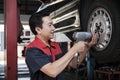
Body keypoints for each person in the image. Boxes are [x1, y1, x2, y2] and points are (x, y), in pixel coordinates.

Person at [25, 11, 98, 80]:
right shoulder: (32, 50)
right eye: (50, 25)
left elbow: (74, 64)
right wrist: (74, 49)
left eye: (52, 25)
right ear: (38, 30)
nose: (53, 28)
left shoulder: (56, 45)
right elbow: (52, 71)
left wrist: (87, 47)